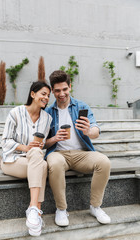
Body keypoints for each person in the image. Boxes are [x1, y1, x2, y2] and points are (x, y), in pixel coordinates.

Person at [45, 70, 111, 227]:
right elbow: (42, 143)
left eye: (65, 89)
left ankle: (95, 207)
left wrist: (88, 131)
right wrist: (54, 138)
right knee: (54, 163)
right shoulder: (48, 112)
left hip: (82, 154)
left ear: (70, 87)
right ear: (53, 91)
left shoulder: (81, 106)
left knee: (104, 162)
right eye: (57, 90)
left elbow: (96, 130)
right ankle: (61, 209)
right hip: (58, 153)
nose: (62, 94)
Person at [0, 81, 52, 237]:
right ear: (32, 94)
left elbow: (41, 146)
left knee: (39, 160)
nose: (46, 98)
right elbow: (5, 141)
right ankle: (36, 209)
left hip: (33, 162)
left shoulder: (47, 119)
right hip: (12, 161)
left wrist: (39, 146)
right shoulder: (15, 113)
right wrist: (26, 147)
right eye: (43, 94)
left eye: (48, 96)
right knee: (40, 163)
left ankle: (33, 213)